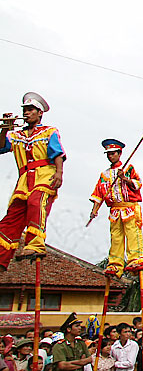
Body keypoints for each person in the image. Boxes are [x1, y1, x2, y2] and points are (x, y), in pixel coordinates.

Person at [0, 92, 65, 269]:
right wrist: (5, 128)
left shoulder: (49, 131)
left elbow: (57, 153)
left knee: (36, 203)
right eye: (25, 110)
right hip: (23, 180)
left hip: (45, 175)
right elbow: (1, 147)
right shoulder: (15, 135)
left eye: (30, 110)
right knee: (12, 217)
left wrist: (59, 173)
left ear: (40, 113)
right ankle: (1, 256)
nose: (27, 113)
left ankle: (35, 245)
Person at [89, 139, 143, 276]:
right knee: (116, 237)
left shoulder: (128, 168)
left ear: (119, 153)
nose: (111, 156)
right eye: (108, 154)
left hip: (129, 208)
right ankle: (115, 264)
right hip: (115, 210)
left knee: (132, 234)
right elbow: (99, 193)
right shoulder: (105, 175)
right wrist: (94, 210)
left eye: (113, 153)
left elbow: (138, 184)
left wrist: (124, 179)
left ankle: (135, 260)